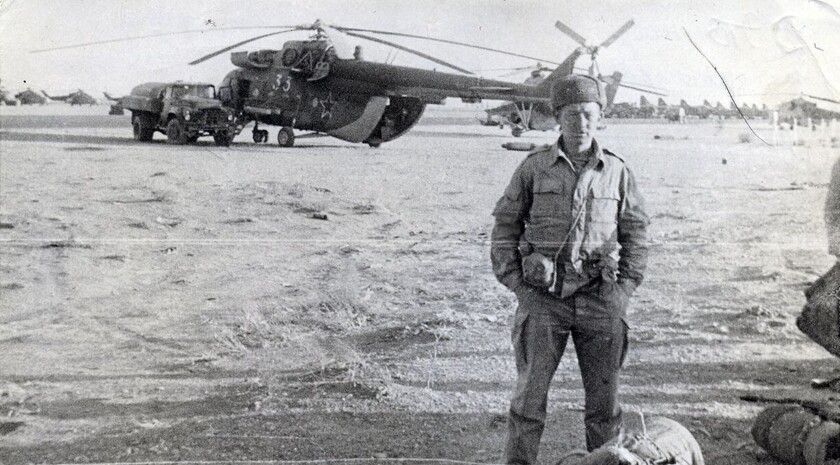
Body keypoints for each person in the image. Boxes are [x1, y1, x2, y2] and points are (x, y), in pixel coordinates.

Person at [491, 74, 650, 464]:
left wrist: (624, 289)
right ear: (558, 117)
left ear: (600, 117)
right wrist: (518, 286)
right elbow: (505, 227)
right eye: (572, 114)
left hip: (601, 299)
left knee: (604, 408)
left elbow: (636, 232)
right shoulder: (534, 168)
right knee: (528, 403)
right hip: (544, 301)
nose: (582, 122)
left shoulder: (617, 171)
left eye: (589, 114)